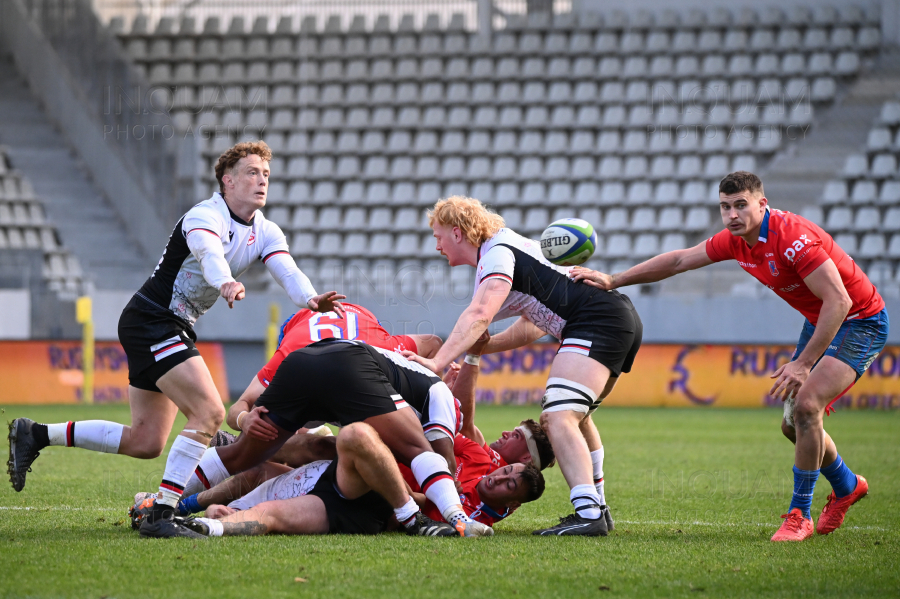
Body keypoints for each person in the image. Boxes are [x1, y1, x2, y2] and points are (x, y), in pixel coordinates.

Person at [7, 141, 344, 539]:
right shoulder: (204, 215)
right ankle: (161, 514)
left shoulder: (266, 230)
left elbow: (288, 271)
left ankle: (34, 433)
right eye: (253, 172)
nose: (262, 181)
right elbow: (208, 255)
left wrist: (310, 299)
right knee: (209, 411)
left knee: (146, 440)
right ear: (227, 180)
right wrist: (226, 283)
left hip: (166, 324)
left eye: (266, 174)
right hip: (153, 319)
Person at [570, 171, 887, 542]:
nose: (733, 214)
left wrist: (802, 364)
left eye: (741, 205)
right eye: (725, 207)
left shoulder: (794, 240)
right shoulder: (737, 241)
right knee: (793, 425)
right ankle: (847, 485)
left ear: (762, 204)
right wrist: (613, 279)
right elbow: (678, 262)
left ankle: (799, 515)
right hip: (821, 319)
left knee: (806, 407)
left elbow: (840, 300)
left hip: (860, 321)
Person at [404, 196, 642, 536]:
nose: (437, 244)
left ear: (457, 233)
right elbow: (533, 324)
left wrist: (437, 361)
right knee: (579, 417)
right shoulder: (507, 249)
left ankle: (589, 514)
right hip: (616, 318)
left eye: (438, 234)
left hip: (596, 321)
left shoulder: (497, 253)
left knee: (557, 417)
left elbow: (479, 314)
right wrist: (481, 348)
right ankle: (598, 506)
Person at [204, 338, 493, 537]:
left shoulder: (303, 342)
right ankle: (444, 520)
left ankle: (177, 505)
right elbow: (440, 458)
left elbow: (242, 409)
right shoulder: (436, 395)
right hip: (349, 375)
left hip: (311, 358)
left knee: (265, 456)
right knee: (359, 440)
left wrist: (243, 419)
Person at [180, 302, 444, 496]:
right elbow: (433, 342)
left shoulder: (291, 347)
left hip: (307, 365)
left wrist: (244, 419)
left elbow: (239, 407)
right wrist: (432, 376)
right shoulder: (379, 339)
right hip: (363, 371)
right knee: (405, 450)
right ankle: (443, 507)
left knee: (299, 446)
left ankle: (169, 499)